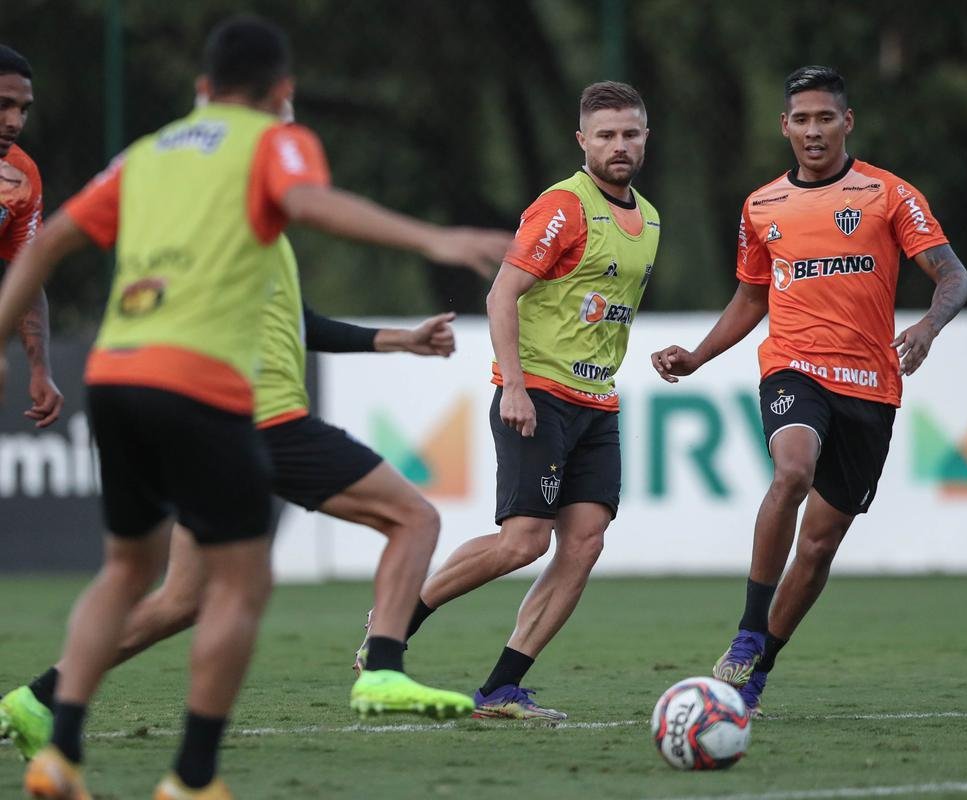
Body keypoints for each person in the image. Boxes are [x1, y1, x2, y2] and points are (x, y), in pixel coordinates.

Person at [0, 16, 507, 799]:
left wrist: (393, 341)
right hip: (220, 399)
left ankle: (49, 725)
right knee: (379, 533)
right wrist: (433, 242)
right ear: (282, 93)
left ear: (202, 87)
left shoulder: (150, 155)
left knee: (160, 587)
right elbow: (314, 200)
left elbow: (44, 244)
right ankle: (281, 727)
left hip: (115, 377)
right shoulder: (271, 149)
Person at [650, 66, 967, 716]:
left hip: (872, 389)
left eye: (826, 117)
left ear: (846, 122)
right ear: (785, 127)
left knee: (821, 544)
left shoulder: (887, 194)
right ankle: (747, 629)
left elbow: (954, 275)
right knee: (791, 471)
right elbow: (750, 298)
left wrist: (930, 326)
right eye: (802, 119)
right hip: (794, 368)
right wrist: (699, 357)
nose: (814, 130)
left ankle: (758, 668)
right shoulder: (762, 206)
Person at [369, 81, 660, 722]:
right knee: (522, 542)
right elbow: (502, 295)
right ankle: (392, 623)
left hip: (597, 403)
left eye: (630, 133)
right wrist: (517, 386)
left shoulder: (651, 220)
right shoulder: (563, 206)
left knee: (584, 544)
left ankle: (500, 688)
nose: (619, 145)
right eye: (606, 135)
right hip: (540, 396)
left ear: (645, 137)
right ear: (582, 141)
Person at [0, 44, 62, 429]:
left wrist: (40, 368)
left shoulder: (20, 176)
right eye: (3, 104)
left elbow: (26, 270)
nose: (14, 122)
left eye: (22, 109)